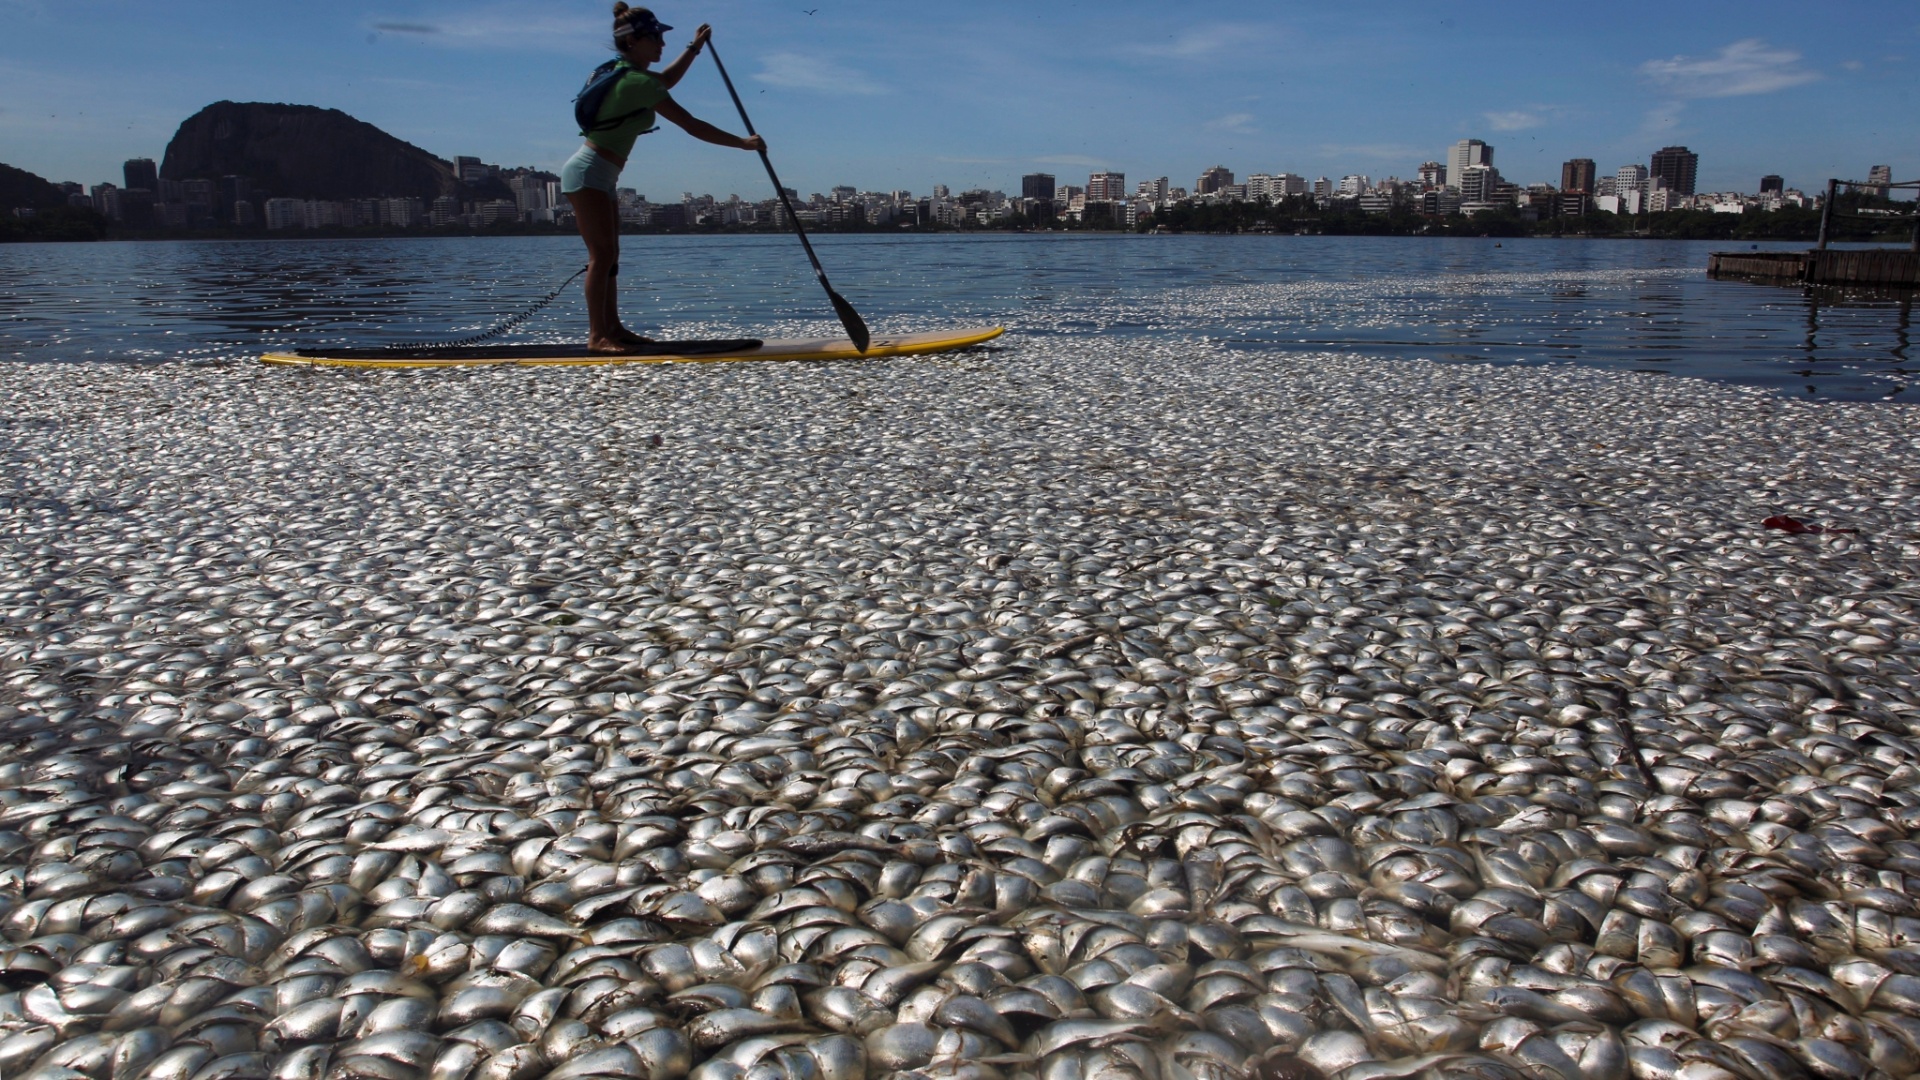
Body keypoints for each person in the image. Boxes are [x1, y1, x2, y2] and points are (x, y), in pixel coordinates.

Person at [560, 4, 765, 354]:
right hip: (587, 172)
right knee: (602, 254)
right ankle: (597, 336)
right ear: (634, 41)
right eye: (656, 38)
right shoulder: (635, 81)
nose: (661, 45)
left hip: (602, 175)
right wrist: (742, 144)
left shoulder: (629, 73)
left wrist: (695, 47)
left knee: (611, 255)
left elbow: (668, 79)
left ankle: (615, 328)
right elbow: (691, 124)